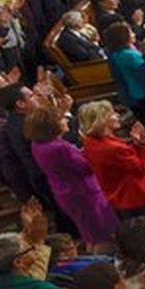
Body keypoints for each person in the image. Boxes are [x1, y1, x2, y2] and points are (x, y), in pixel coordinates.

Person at [26, 105, 118, 250]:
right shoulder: (60, 147)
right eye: (61, 119)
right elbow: (86, 167)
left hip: (66, 193)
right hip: (84, 193)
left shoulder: (37, 144)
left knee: (90, 233)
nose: (66, 121)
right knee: (103, 234)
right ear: (51, 125)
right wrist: (90, 148)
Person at [78, 100, 145, 225]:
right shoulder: (112, 148)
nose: (117, 116)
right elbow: (143, 167)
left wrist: (137, 144)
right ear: (102, 120)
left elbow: (122, 161)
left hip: (120, 196)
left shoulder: (91, 141)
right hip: (136, 196)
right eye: (112, 114)